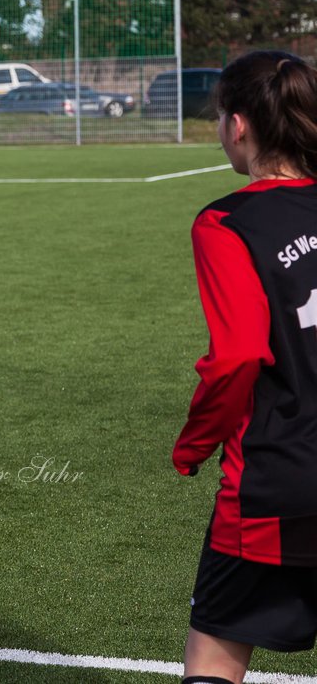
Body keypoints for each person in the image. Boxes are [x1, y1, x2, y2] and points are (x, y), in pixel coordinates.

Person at [174, 50, 317, 684]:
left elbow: (234, 358)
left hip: (276, 485)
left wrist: (193, 444)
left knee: (214, 658)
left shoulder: (227, 222)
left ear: (238, 126)